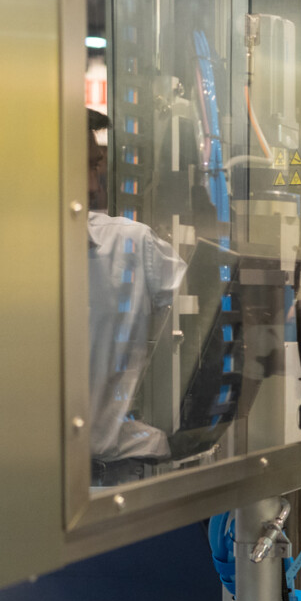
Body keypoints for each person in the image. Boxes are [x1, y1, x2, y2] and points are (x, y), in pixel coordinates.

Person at [86, 107, 187, 483]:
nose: (93, 186)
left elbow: (208, 313)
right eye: (83, 168)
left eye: (96, 167)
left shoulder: (129, 245)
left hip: (118, 477)